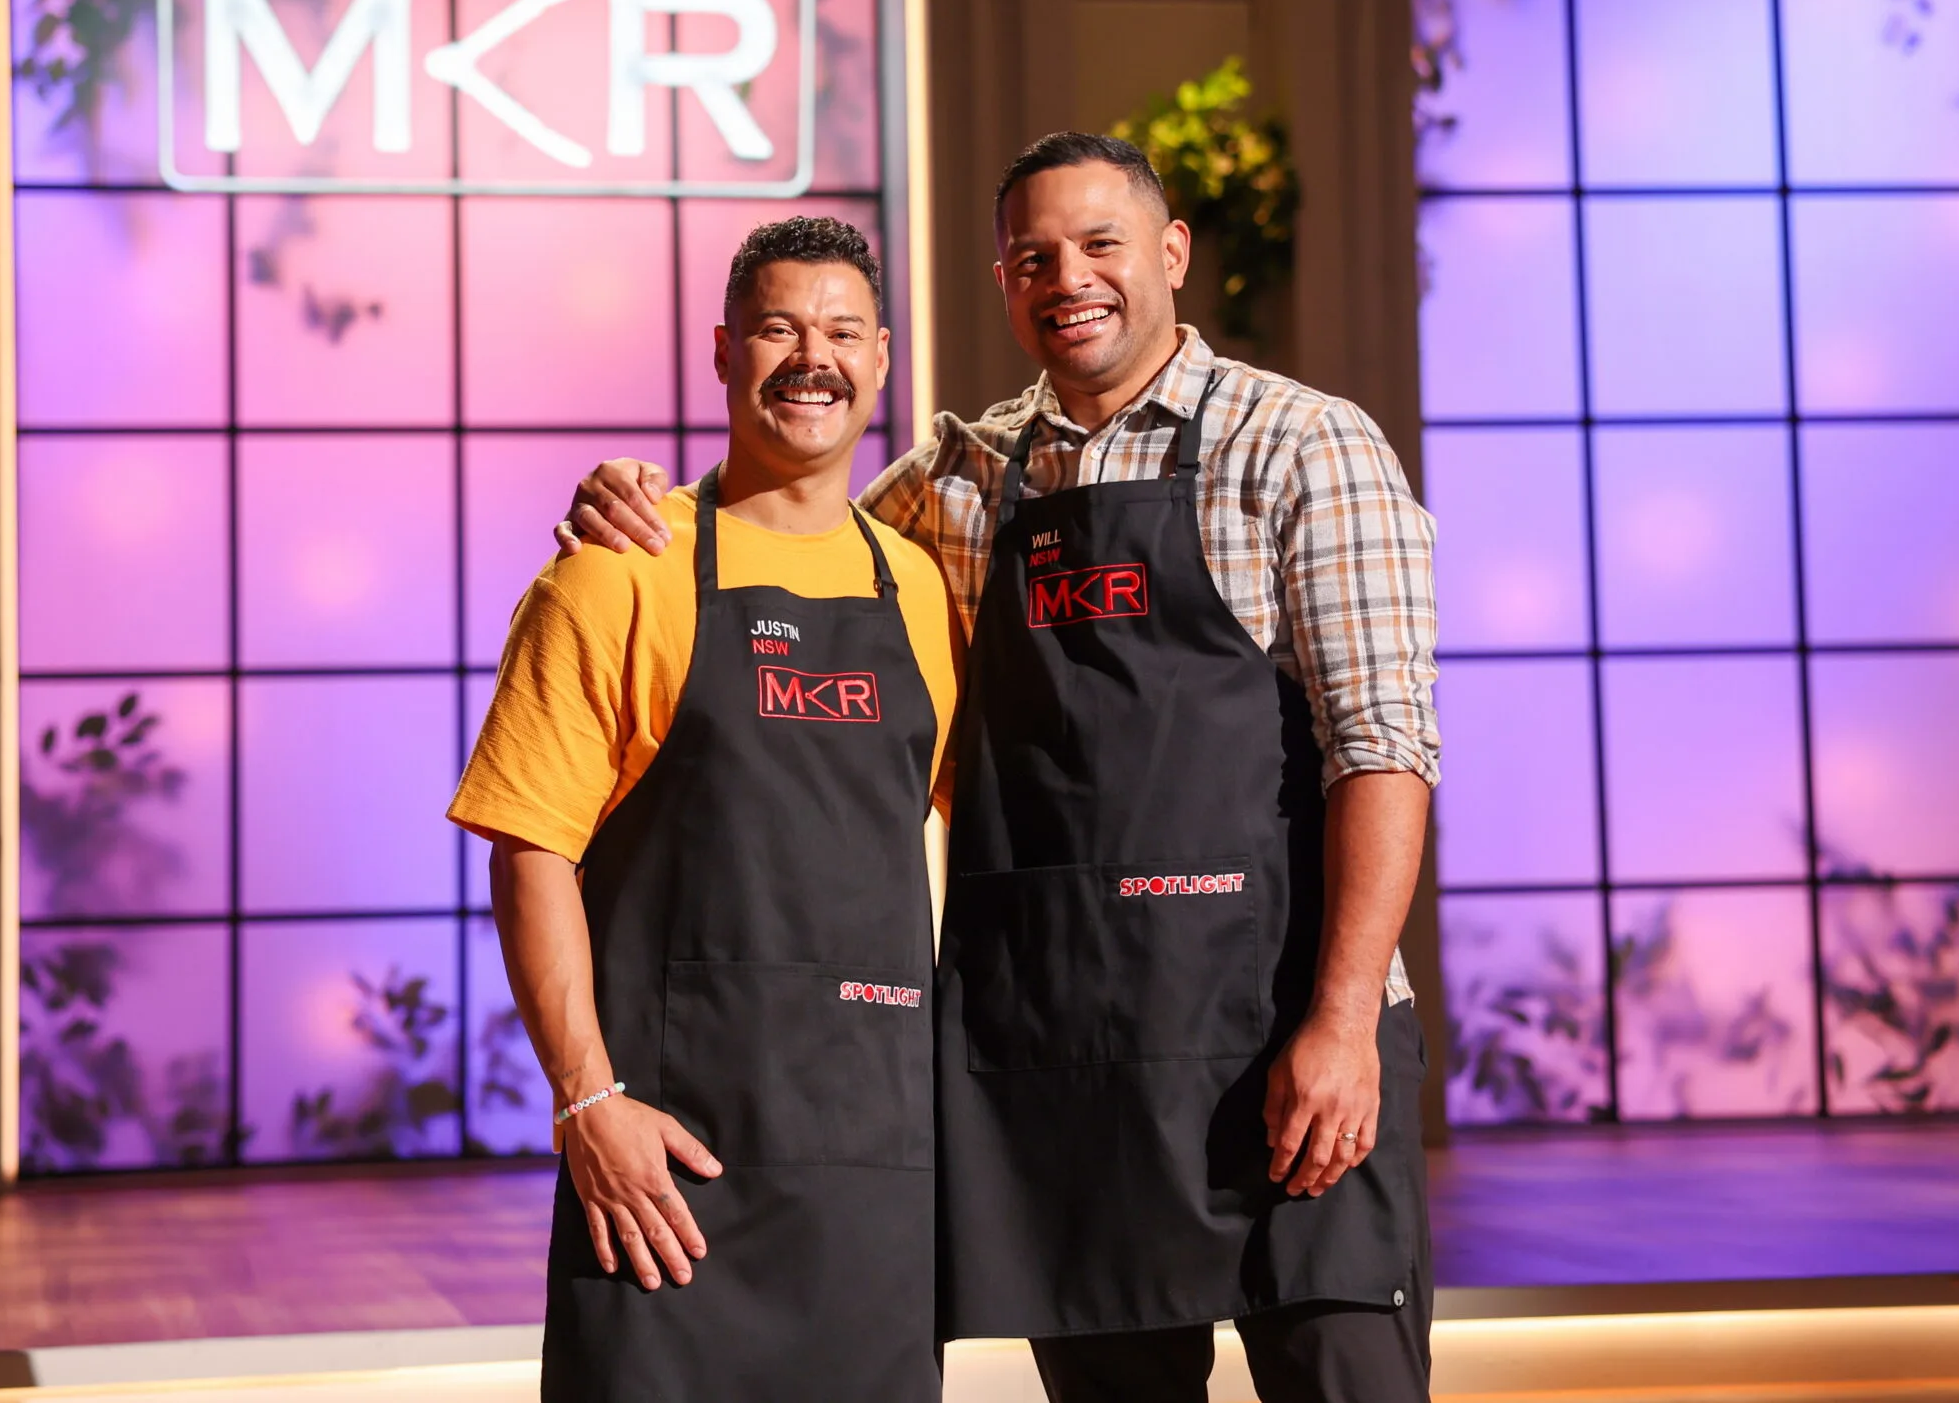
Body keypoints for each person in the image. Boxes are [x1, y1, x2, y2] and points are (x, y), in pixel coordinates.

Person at [560, 133, 1440, 1403]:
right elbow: (794, 521)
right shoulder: (953, 489)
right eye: (1034, 256)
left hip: (1283, 1048)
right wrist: (644, 506)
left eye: (1100, 246)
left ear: (1172, 254)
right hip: (1062, 1070)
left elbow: (1383, 746)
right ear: (1001, 280)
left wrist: (1344, 1020)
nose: (1067, 278)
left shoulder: (1301, 447)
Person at [451, 216, 962, 1403]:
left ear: (881, 358)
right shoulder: (616, 571)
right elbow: (532, 853)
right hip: (664, 1167)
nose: (810, 358)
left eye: (840, 331)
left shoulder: (924, 587)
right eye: (778, 328)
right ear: (723, 349)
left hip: (875, 1174)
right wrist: (587, 1102)